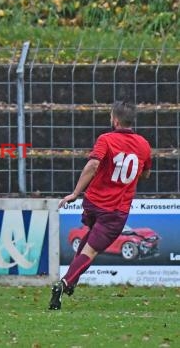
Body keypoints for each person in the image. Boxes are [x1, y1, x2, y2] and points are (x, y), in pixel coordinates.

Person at [50, 101, 151, 310]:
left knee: (88, 238)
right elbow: (145, 173)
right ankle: (64, 283)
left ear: (114, 120)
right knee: (91, 251)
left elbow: (94, 164)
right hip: (115, 211)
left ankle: (71, 280)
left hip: (93, 203)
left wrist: (76, 193)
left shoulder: (105, 139)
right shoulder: (144, 145)